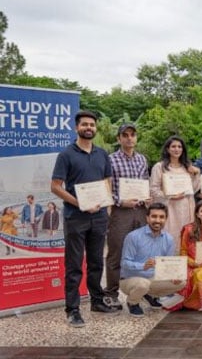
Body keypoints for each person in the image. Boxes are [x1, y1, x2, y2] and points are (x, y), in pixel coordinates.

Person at [51, 110, 119, 327]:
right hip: (76, 217)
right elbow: (55, 187)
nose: (89, 128)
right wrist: (79, 203)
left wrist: (106, 206)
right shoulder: (66, 155)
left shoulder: (102, 154)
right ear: (76, 128)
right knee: (74, 265)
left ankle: (97, 301)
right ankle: (72, 309)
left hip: (99, 216)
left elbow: (107, 180)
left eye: (92, 125)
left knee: (96, 261)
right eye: (84, 125)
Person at [105, 123, 151, 310]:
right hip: (120, 211)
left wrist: (147, 197)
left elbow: (145, 182)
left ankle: (143, 291)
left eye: (132, 135)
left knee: (143, 251)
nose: (129, 138)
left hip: (140, 211)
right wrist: (119, 201)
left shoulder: (142, 159)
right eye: (125, 135)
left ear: (136, 138)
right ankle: (111, 293)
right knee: (116, 251)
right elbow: (105, 187)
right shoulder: (110, 160)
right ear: (119, 138)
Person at [119, 203, 185, 317]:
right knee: (143, 284)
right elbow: (124, 263)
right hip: (129, 279)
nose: (157, 220)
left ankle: (150, 295)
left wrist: (174, 276)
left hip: (152, 278)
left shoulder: (169, 239)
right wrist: (142, 266)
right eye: (154, 216)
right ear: (147, 218)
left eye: (161, 217)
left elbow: (168, 264)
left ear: (166, 219)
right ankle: (132, 302)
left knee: (182, 282)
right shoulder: (133, 236)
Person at [150, 135, 199, 250]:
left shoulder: (187, 167)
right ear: (167, 149)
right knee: (171, 238)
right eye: (173, 146)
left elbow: (194, 189)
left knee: (187, 238)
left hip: (187, 207)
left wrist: (196, 175)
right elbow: (153, 189)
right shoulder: (160, 167)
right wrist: (170, 196)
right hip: (170, 208)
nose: (177, 149)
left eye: (179, 147)